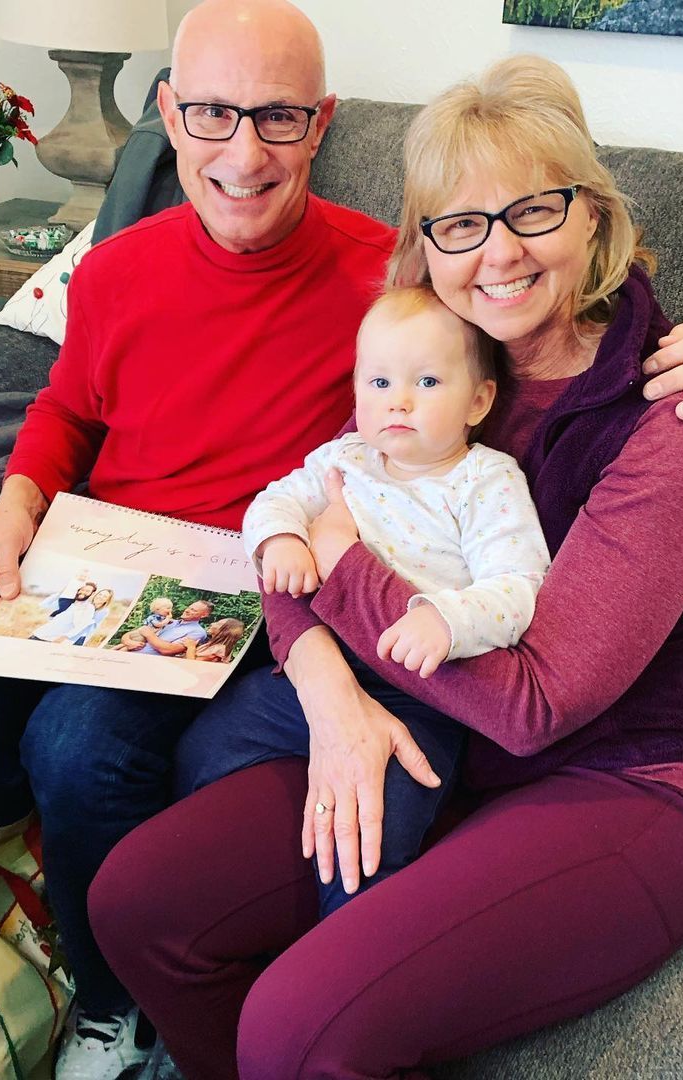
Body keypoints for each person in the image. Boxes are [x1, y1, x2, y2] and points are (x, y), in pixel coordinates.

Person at [0, 1, 683, 1076]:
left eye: (533, 210)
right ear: (424, 245)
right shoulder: (422, 349)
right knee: (107, 877)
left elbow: (530, 699)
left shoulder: (662, 399)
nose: (495, 254)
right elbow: (279, 498)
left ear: (594, 214)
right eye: (458, 224)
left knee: (277, 999)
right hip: (393, 697)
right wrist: (329, 690)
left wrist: (339, 572)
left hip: (614, 764)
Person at [181, 285, 550, 917]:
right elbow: (274, 500)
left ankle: (345, 938)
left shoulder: (485, 479)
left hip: (422, 692)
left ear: (479, 400)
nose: (397, 401)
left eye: (427, 382)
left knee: (376, 833)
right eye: (377, 382)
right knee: (201, 747)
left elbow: (521, 585)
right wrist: (282, 541)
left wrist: (447, 618)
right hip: (319, 670)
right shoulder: (346, 457)